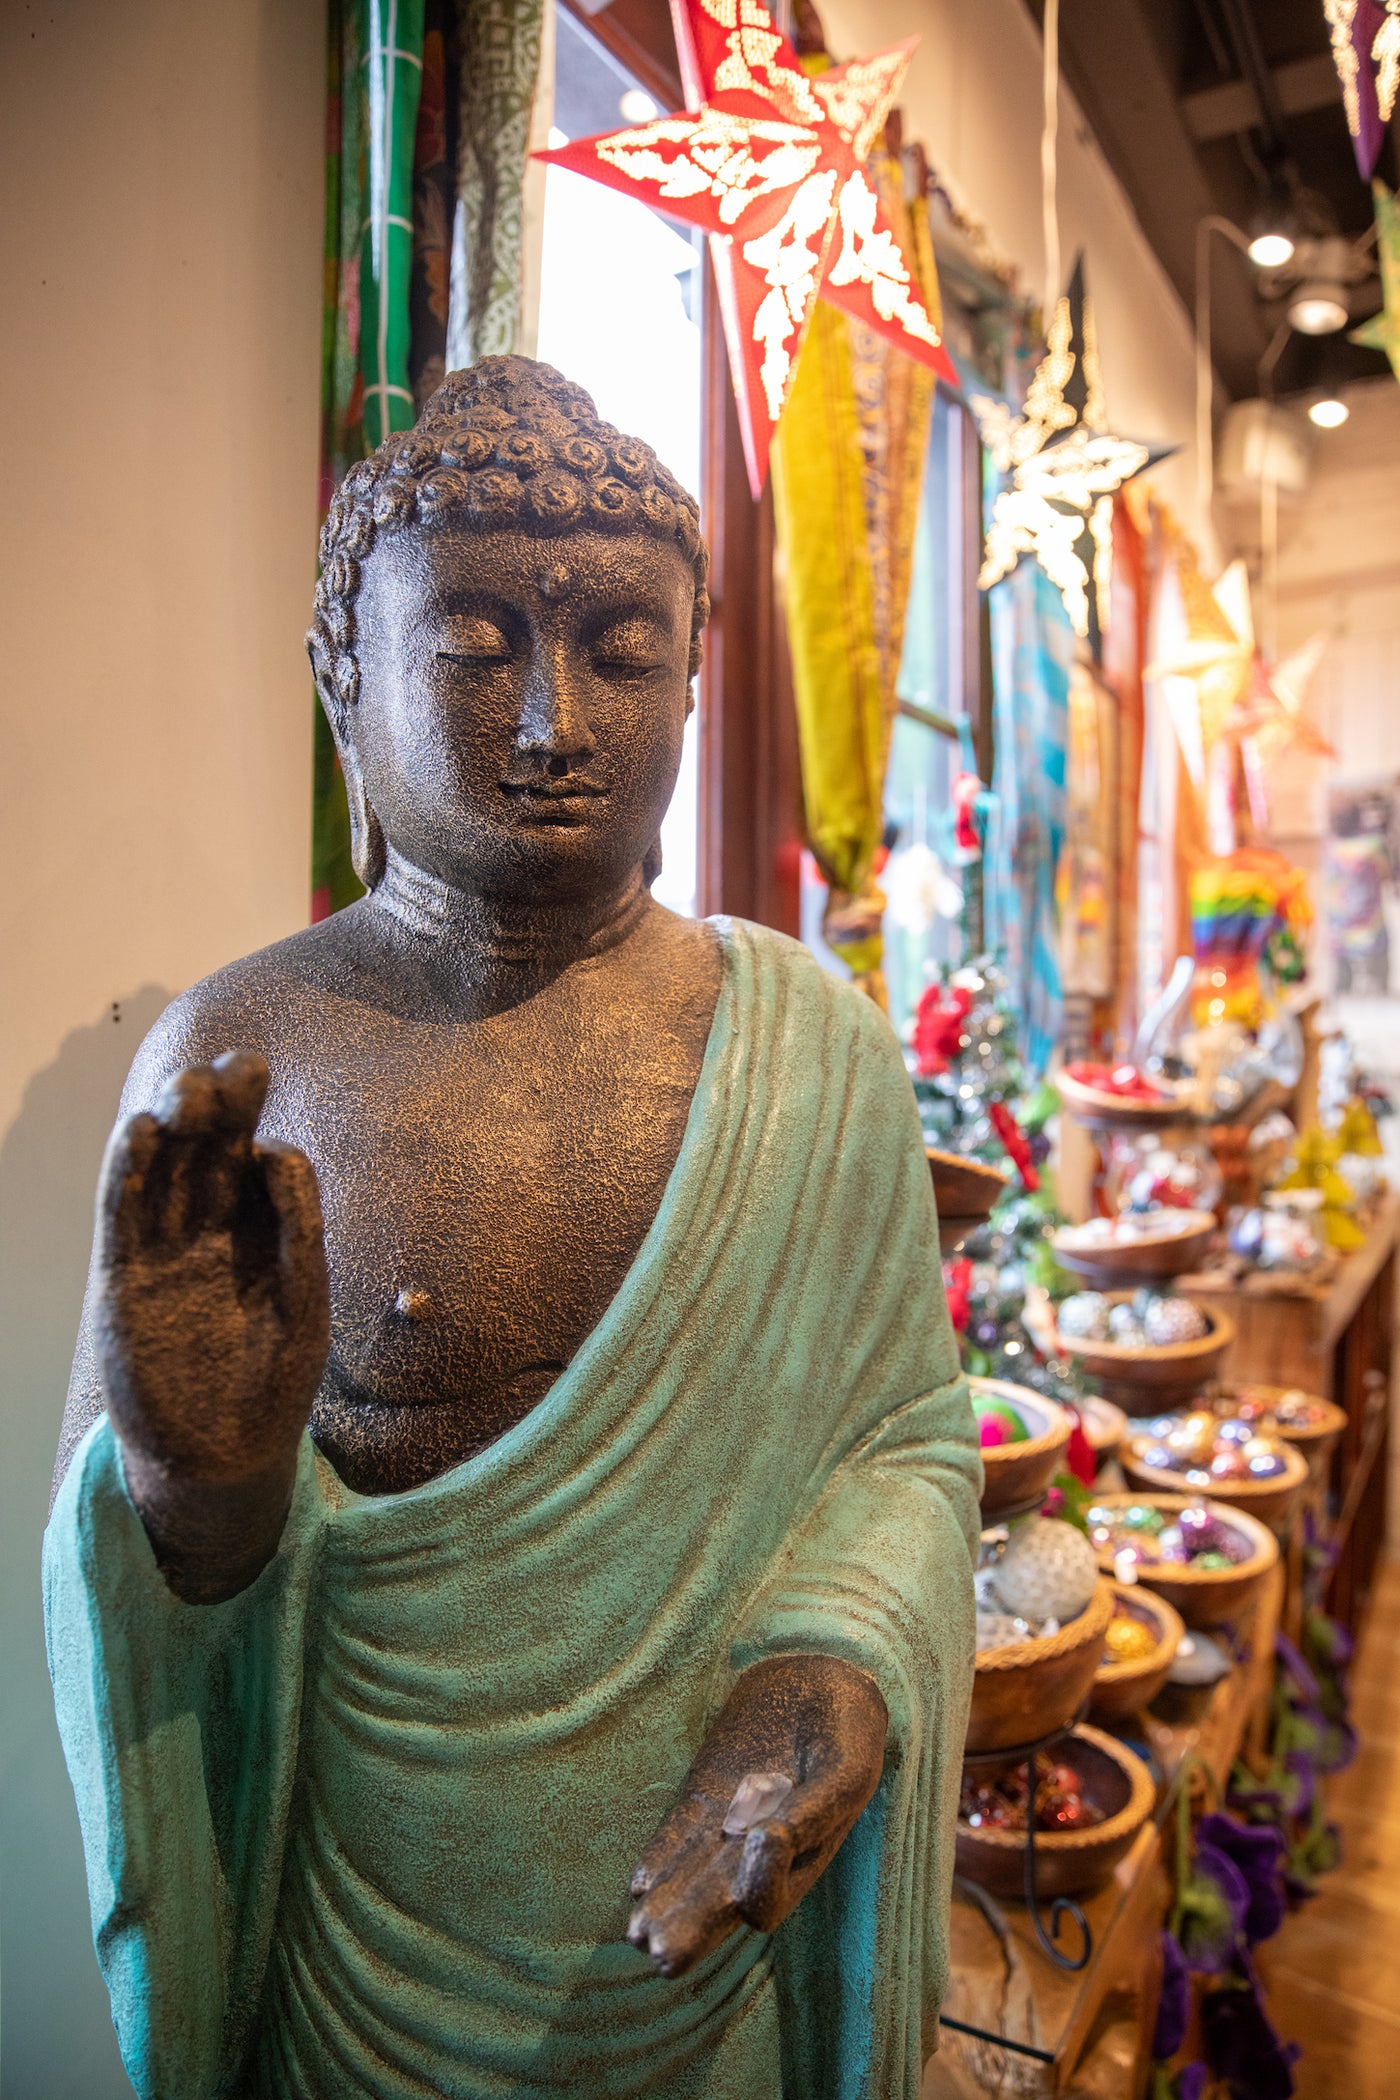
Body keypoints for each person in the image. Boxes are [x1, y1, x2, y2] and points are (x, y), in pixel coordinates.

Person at [46, 357, 979, 2100]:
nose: (554, 723)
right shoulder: (245, 1060)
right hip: (361, 1972)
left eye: (625, 652)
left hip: (711, 1967)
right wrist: (199, 1495)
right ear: (345, 673)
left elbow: (908, 1453)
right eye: (474, 647)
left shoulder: (812, 1047)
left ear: (694, 681)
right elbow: (128, 1595)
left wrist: (825, 1691)